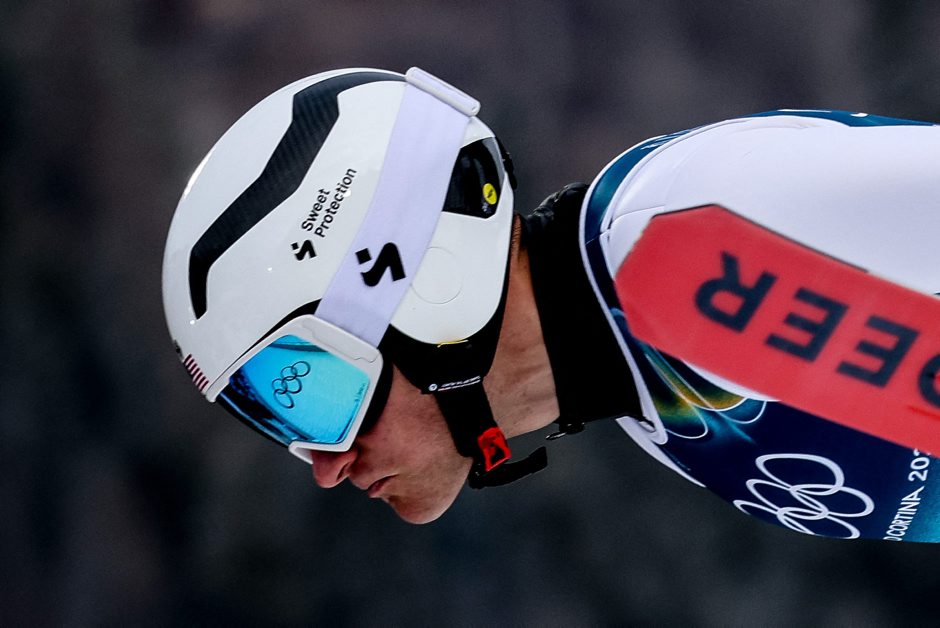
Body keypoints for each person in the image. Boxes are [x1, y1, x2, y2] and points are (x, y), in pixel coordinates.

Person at [163, 67, 940, 540]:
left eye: (309, 396)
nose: (327, 467)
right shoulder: (656, 407)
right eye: (277, 421)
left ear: (428, 283)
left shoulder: (682, 234)